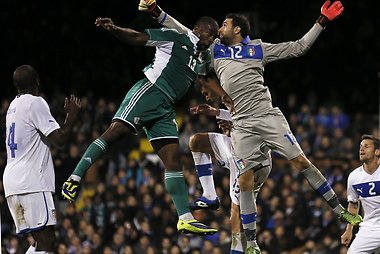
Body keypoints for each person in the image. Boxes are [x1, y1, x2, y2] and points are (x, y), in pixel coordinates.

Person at [138, 0, 362, 253]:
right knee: (244, 180)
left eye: (224, 24)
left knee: (301, 162)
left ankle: (340, 211)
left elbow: (298, 48)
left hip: (267, 116)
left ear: (237, 30)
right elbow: (185, 31)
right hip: (242, 124)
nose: (219, 28)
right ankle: (252, 243)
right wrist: (158, 13)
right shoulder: (215, 49)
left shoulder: (258, 48)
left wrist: (321, 21)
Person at [61, 13, 233, 236]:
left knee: (173, 160)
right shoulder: (176, 37)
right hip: (150, 91)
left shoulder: (202, 57)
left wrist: (223, 98)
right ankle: (74, 178)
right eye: (210, 34)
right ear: (198, 29)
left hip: (166, 108)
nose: (212, 39)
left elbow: (205, 78)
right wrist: (114, 29)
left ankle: (185, 219)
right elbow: (138, 38)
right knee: (114, 133)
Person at [3, 65, 81, 253]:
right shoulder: (35, 102)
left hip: (12, 184)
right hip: (31, 182)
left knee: (40, 241)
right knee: (47, 240)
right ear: (37, 81)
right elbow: (60, 139)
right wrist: (72, 115)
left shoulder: (12, 106)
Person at [189, 102, 271, 254]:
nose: (205, 95)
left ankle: (237, 250)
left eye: (205, 90)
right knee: (196, 142)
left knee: (237, 207)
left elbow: (255, 127)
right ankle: (209, 195)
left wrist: (223, 119)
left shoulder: (251, 95)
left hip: (249, 158)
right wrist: (218, 114)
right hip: (232, 144)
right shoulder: (228, 92)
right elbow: (235, 114)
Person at [340, 135, 380, 253]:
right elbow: (353, 206)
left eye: (366, 146)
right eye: (360, 147)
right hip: (369, 228)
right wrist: (349, 230)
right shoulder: (354, 177)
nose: (361, 149)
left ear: (377, 151)